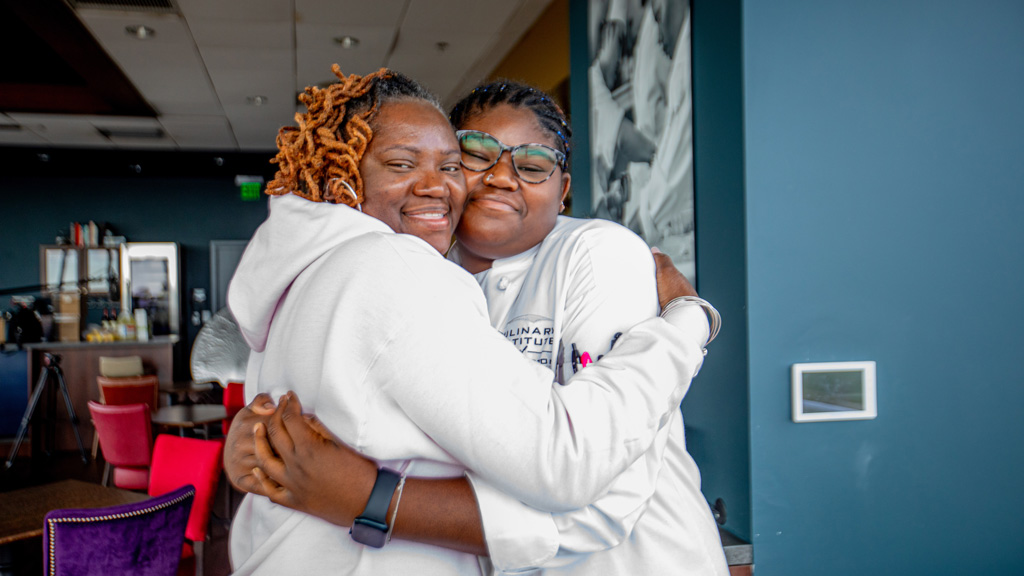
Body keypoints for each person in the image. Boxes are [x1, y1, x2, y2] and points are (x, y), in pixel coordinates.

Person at [226, 66, 715, 575]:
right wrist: (260, 446)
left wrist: (373, 500)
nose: (500, 176)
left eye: (532, 164)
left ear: (563, 188)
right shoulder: (415, 270)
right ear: (345, 174)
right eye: (477, 155)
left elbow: (599, 491)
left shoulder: (597, 253)